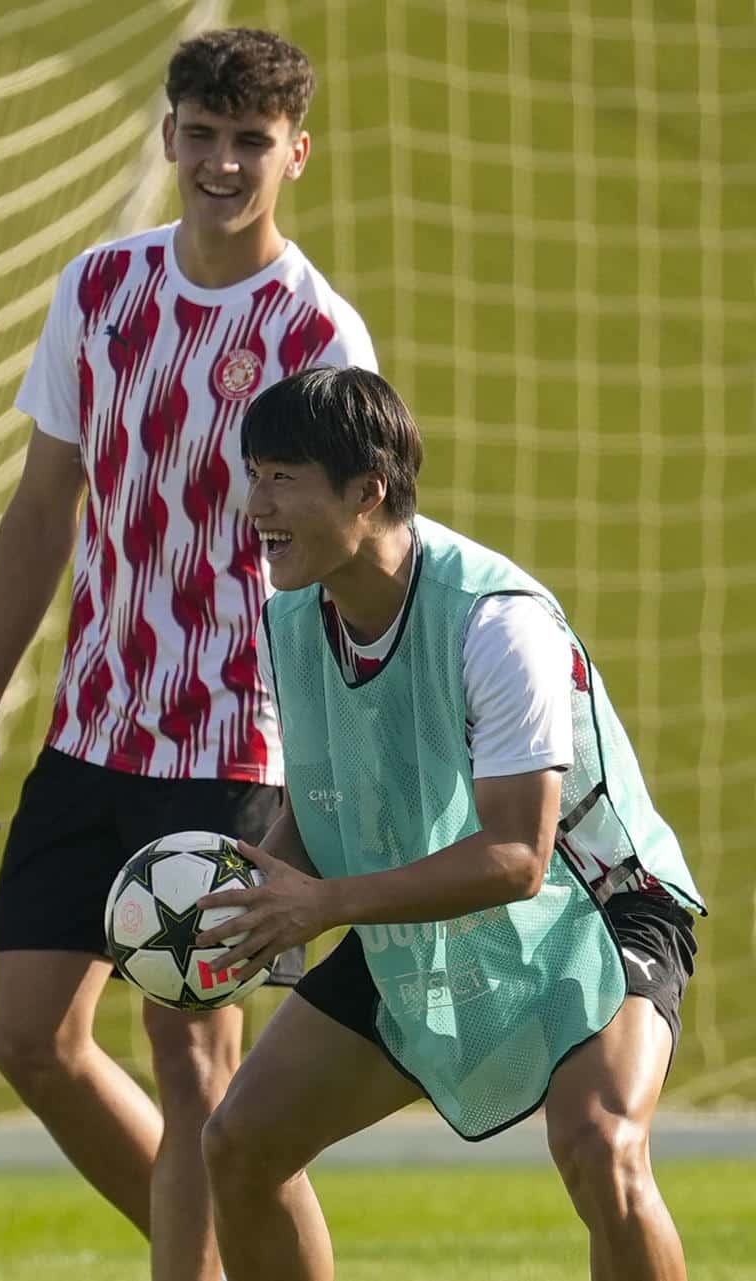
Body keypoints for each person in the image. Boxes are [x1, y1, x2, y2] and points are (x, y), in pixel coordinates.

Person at [0, 27, 377, 1281]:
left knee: (196, 1067)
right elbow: (42, 507)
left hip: (234, 734)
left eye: (251, 142)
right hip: (88, 728)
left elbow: (351, 559)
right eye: (202, 134)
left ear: (296, 152)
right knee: (28, 1037)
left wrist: (326, 763)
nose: (223, 163)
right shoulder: (100, 288)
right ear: (168, 134)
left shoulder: (318, 332)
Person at [198, 366, 705, 1281]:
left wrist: (323, 906)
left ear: (368, 491)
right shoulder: (290, 617)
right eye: (253, 471)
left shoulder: (498, 623)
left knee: (602, 1146)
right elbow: (318, 808)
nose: (254, 502)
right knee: (240, 1143)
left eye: (283, 477)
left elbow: (518, 857)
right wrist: (243, 908)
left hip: (596, 905)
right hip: (433, 908)